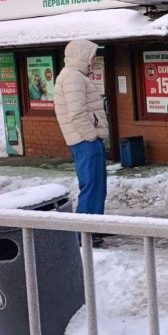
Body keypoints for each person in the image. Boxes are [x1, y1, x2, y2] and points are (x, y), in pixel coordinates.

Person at [55, 40, 109, 246]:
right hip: (85, 141)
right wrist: (91, 136)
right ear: (82, 55)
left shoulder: (75, 76)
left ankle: (94, 228)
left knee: (98, 185)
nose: (94, 60)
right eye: (92, 55)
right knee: (91, 185)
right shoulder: (72, 78)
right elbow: (76, 113)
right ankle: (82, 234)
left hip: (88, 140)